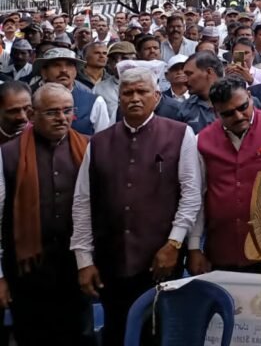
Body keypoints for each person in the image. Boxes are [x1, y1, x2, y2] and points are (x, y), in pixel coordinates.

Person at [71, 66, 201, 346]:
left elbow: (191, 195)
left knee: (157, 333)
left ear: (157, 96)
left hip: (160, 260)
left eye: (142, 92)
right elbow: (82, 202)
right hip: (110, 261)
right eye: (127, 93)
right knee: (116, 332)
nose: (135, 98)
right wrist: (84, 261)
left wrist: (174, 244)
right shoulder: (99, 142)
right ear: (119, 97)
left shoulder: (180, 134)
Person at [187, 77, 261, 274]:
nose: (238, 116)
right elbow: (197, 195)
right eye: (228, 113)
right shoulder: (201, 140)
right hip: (222, 248)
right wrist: (194, 246)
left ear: (250, 97)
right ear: (215, 112)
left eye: (243, 107)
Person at [0, 84, 90, 346]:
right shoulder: (7, 154)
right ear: (32, 114)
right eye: (52, 112)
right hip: (27, 271)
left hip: (77, 268)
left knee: (79, 335)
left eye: (67, 111)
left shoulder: (88, 147)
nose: (61, 118)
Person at [34, 48, 110, 136]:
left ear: (75, 71)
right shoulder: (31, 99)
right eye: (56, 65)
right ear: (44, 72)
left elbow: (103, 139)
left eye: (69, 65)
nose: (64, 70)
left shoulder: (95, 102)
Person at [180, 52, 224, 133]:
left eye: (189, 74)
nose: (185, 80)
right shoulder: (184, 108)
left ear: (209, 72)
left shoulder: (239, 101)